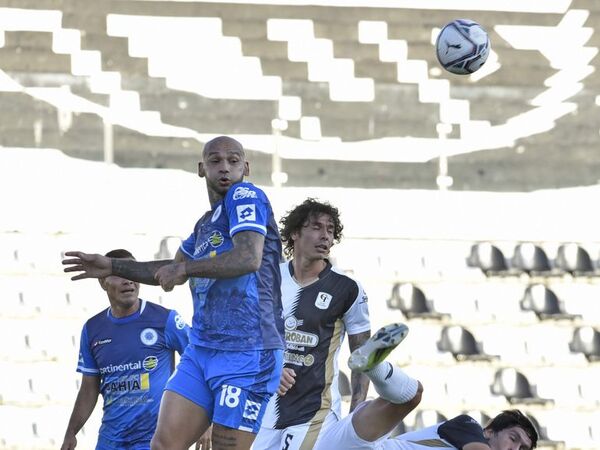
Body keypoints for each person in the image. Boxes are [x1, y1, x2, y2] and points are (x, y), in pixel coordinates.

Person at [62, 136, 285, 450]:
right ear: (200, 168)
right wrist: (112, 265)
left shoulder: (246, 194)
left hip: (247, 351)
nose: (225, 168)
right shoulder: (205, 225)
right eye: (215, 161)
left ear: (246, 167)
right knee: (164, 445)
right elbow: (171, 268)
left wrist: (185, 270)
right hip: (203, 348)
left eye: (233, 161)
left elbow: (249, 257)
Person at [253, 198, 372, 450]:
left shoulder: (347, 288)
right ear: (295, 232)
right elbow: (246, 336)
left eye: (330, 230)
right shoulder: (268, 278)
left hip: (315, 414)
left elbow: (363, 355)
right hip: (262, 408)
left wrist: (355, 414)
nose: (325, 236)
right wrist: (270, 367)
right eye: (317, 227)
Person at [312, 322, 539, 450]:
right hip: (359, 443)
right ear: (489, 430)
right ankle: (373, 365)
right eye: (513, 438)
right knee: (413, 394)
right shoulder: (468, 427)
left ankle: (373, 365)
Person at [61, 249, 191, 450]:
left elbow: (200, 361)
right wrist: (71, 432)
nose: (129, 280)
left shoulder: (166, 319)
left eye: (133, 273)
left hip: (154, 441)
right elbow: (89, 388)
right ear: (102, 282)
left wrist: (206, 421)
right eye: (120, 274)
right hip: (110, 441)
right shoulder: (92, 329)